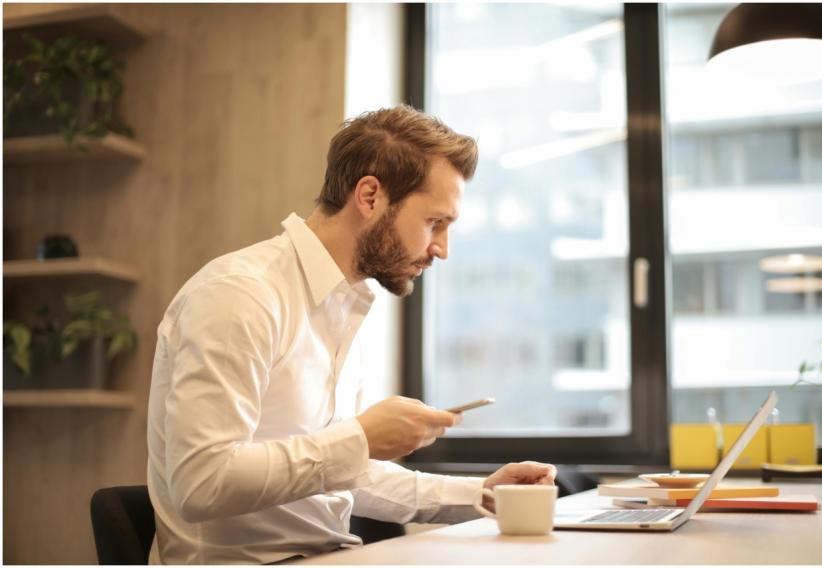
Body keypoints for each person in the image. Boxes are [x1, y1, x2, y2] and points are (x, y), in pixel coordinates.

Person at [146, 105, 557, 564]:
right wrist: (359, 438)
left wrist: (479, 494)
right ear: (369, 196)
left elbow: (336, 473)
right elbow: (201, 483)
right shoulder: (240, 295)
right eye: (434, 223)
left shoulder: (344, 306)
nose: (442, 249)